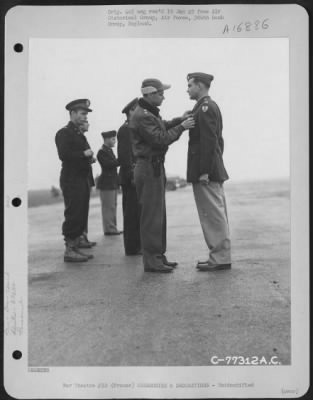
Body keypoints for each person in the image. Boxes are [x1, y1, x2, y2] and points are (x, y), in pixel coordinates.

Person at [129, 78, 195, 273]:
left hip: (154, 167)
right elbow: (160, 139)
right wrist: (183, 127)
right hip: (148, 168)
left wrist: (179, 119)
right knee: (151, 215)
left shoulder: (148, 113)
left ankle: (158, 255)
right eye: (160, 93)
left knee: (158, 214)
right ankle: (151, 260)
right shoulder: (142, 115)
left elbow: (162, 125)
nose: (163, 96)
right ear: (149, 94)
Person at [186, 72, 231, 271]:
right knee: (214, 213)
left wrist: (204, 170)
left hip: (206, 172)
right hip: (211, 169)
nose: (187, 89)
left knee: (213, 215)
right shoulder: (203, 108)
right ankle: (218, 256)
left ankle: (220, 258)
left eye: (190, 85)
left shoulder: (204, 108)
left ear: (200, 86)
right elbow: (217, 141)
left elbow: (209, 141)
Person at [55, 99, 95, 262]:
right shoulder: (64, 133)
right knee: (73, 212)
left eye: (86, 114)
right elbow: (64, 155)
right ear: (72, 113)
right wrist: (83, 155)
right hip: (72, 179)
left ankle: (77, 242)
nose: (85, 117)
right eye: (83, 113)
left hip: (81, 177)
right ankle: (70, 249)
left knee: (80, 212)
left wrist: (88, 160)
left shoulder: (77, 133)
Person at [117, 98, 142, 255]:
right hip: (129, 177)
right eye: (136, 109)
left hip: (134, 176)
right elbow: (125, 156)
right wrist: (132, 175)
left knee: (136, 213)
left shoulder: (132, 128)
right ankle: (132, 248)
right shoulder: (125, 129)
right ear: (130, 112)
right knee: (131, 213)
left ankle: (136, 245)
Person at [96, 130, 122, 236]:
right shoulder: (102, 152)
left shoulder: (108, 150)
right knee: (108, 207)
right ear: (106, 139)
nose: (115, 141)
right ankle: (109, 229)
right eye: (113, 139)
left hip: (111, 182)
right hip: (106, 183)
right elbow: (109, 164)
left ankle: (112, 227)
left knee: (112, 206)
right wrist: (121, 160)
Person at [78, 121, 97, 249]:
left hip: (86, 178)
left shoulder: (83, 139)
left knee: (84, 210)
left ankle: (83, 237)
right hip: (79, 178)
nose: (89, 124)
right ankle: (80, 238)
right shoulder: (78, 139)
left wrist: (91, 159)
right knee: (79, 210)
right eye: (86, 123)